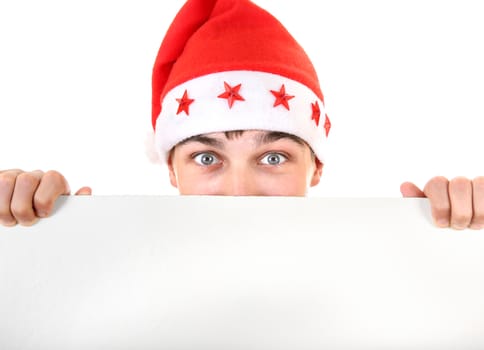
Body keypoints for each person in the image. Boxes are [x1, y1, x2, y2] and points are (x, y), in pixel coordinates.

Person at [0, 0, 483, 230]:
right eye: (206, 158)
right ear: (170, 169)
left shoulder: (392, 273)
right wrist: (31, 230)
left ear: (316, 168)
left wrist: (464, 241)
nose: (239, 191)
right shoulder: (97, 270)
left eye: (273, 157)